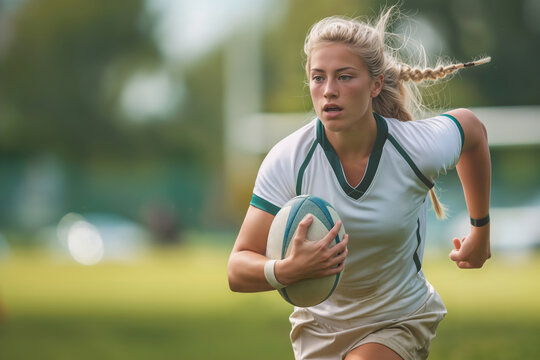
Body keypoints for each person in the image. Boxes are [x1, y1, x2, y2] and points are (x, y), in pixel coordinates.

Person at [228, 7, 491, 360]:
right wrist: (288, 270)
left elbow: (472, 130)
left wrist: (480, 231)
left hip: (399, 318)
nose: (329, 91)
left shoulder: (414, 147)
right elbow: (237, 269)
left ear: (376, 84)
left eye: (345, 77)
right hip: (318, 329)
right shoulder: (288, 159)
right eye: (318, 77)